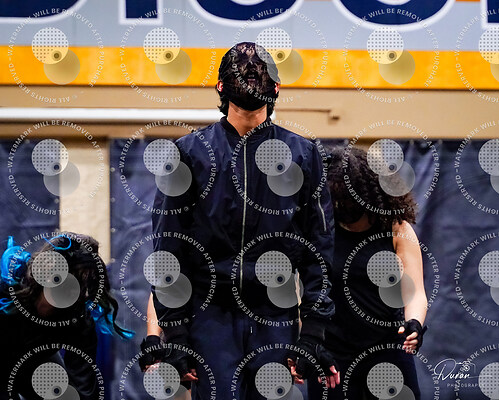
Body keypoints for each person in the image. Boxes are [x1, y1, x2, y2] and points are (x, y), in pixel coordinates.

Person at [150, 42, 339, 399]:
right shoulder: (187, 154)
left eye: (260, 67)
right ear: (220, 86)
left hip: (276, 314)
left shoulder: (303, 154)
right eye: (241, 66)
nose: (251, 68)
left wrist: (314, 330)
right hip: (209, 315)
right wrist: (175, 332)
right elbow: (167, 248)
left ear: (276, 88)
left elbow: (319, 248)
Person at [307, 146, 428, 399]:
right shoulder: (322, 230)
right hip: (333, 352)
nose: (342, 207)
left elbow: (415, 292)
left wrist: (414, 323)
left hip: (387, 346)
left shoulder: (396, 228)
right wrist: (307, 343)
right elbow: (305, 292)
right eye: (336, 200)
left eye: (347, 200)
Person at [0, 232, 131, 400]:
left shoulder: (78, 320)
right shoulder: (9, 291)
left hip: (35, 364)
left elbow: (85, 386)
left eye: (83, 283)